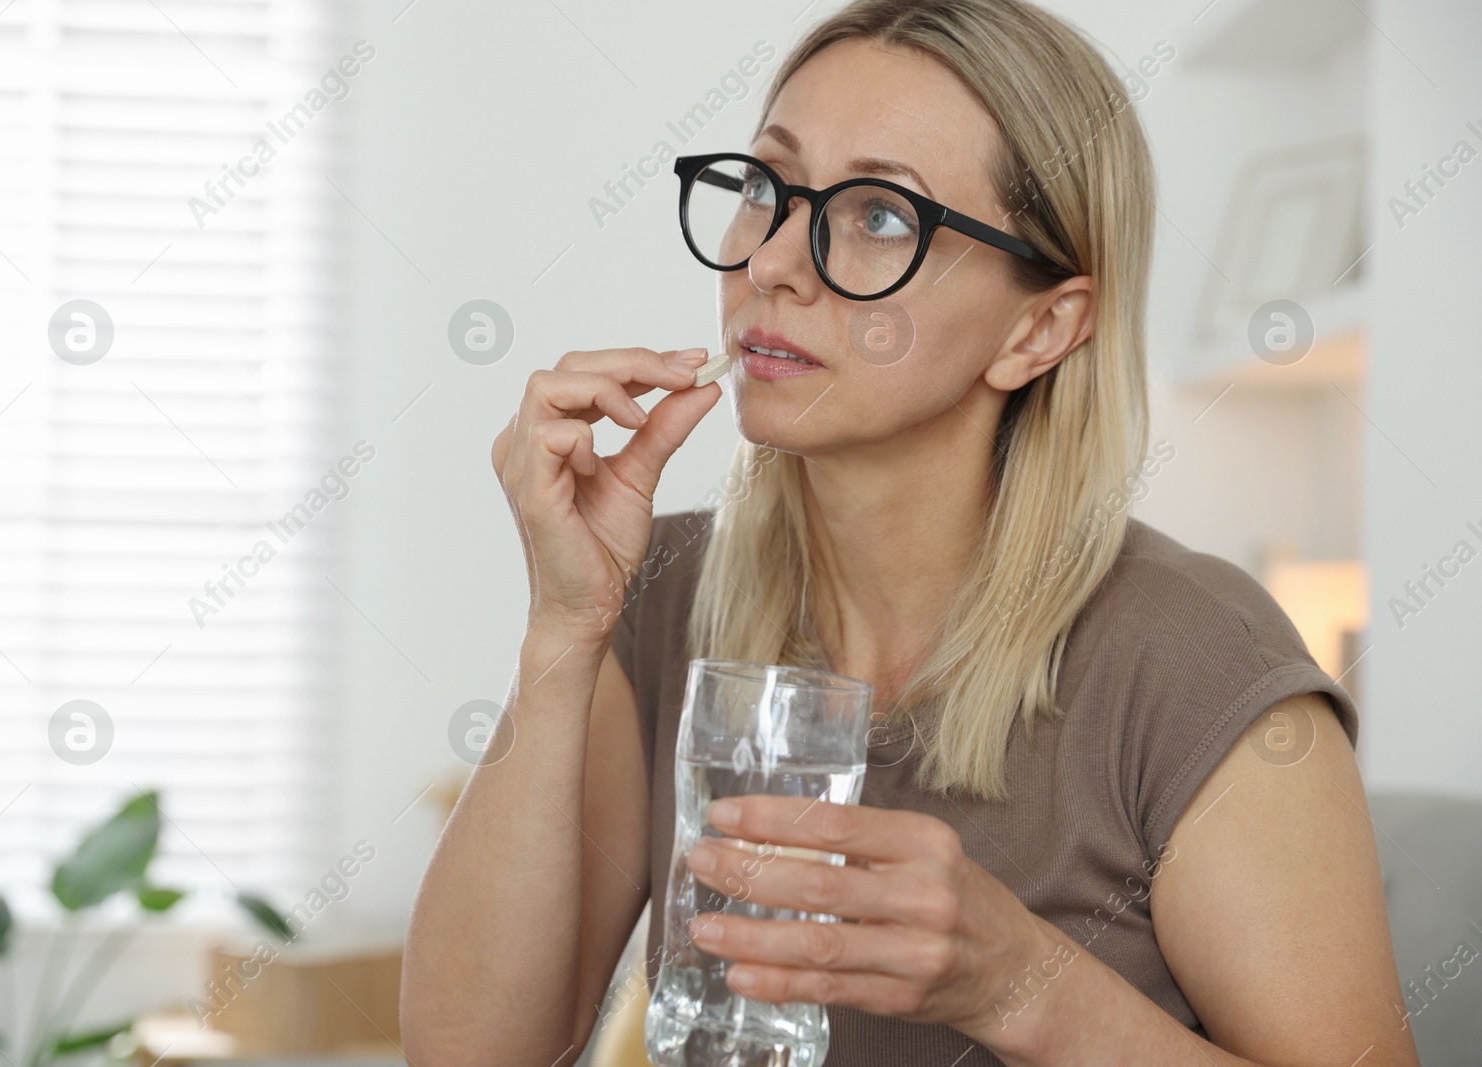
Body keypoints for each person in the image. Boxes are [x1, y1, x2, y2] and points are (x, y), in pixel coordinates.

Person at [403, 1, 1419, 1064]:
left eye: (880, 215)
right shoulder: (660, 587)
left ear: (1039, 328)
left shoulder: (1197, 659)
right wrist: (563, 627)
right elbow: (471, 1051)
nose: (774, 263)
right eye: (765, 188)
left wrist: (1019, 986)